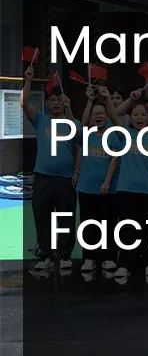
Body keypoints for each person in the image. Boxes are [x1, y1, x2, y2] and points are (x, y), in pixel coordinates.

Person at [99, 88, 148, 281]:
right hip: (126, 189)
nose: (139, 118)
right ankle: (125, 263)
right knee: (128, 227)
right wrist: (106, 99)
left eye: (142, 115)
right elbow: (113, 116)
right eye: (135, 115)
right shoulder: (125, 134)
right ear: (131, 117)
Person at [21, 65, 80, 273]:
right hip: (43, 178)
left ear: (64, 102)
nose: (56, 103)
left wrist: (76, 172)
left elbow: (79, 143)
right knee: (42, 217)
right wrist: (28, 80)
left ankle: (64, 255)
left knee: (65, 218)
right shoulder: (40, 120)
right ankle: (45, 254)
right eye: (52, 100)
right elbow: (24, 102)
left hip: (65, 180)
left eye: (59, 100)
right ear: (47, 103)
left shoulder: (73, 122)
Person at [76, 87, 121, 273]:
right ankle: (89, 258)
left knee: (108, 224)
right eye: (95, 114)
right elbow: (83, 123)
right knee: (88, 224)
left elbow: (115, 159)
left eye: (102, 113)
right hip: (86, 187)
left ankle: (108, 257)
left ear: (107, 116)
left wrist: (107, 182)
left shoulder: (113, 136)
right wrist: (89, 101)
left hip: (107, 189)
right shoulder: (86, 135)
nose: (98, 116)